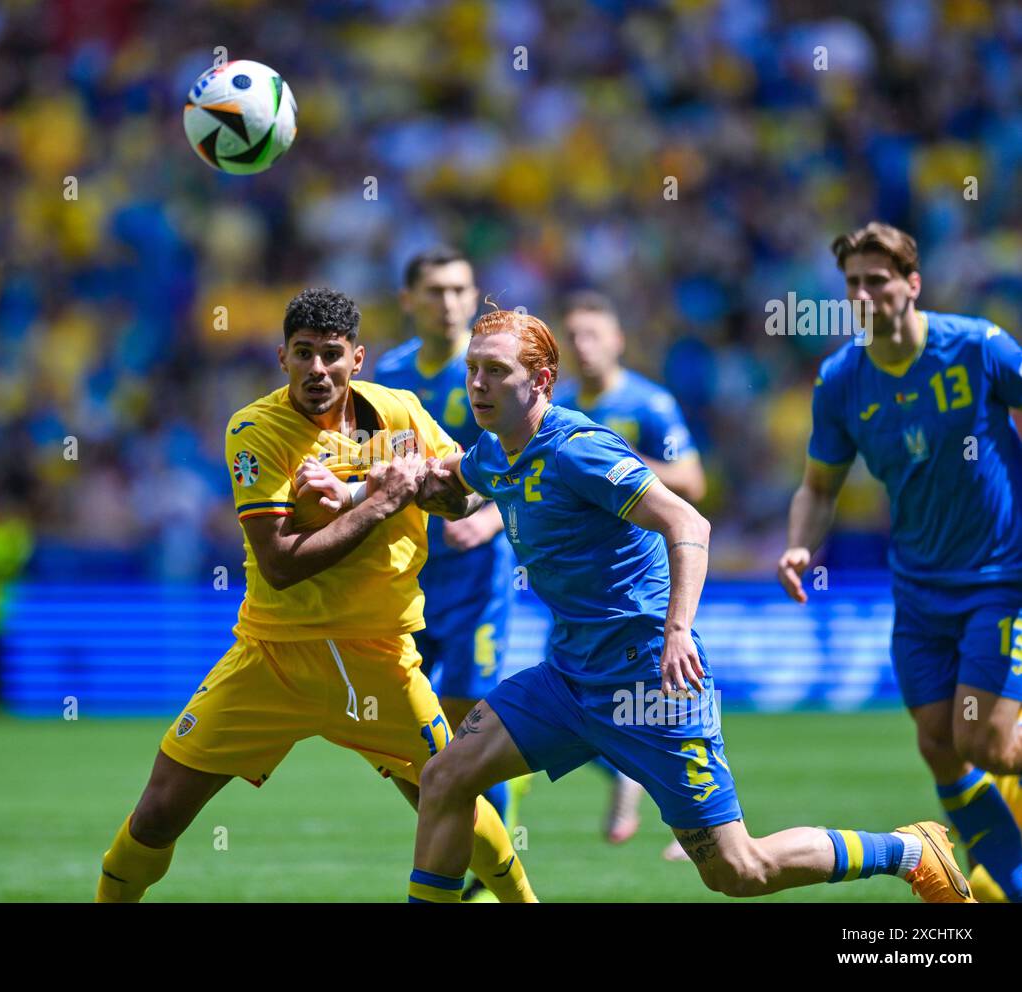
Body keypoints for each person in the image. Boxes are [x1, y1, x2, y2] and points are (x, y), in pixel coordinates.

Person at [400, 305, 971, 903]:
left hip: (650, 680)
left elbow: (687, 519)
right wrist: (365, 488)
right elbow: (455, 478)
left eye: (495, 370)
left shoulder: (578, 449)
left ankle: (908, 851)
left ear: (541, 380)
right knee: (445, 775)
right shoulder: (498, 449)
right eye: (472, 370)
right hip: (568, 677)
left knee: (739, 870)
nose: (477, 384)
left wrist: (677, 631)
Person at [94, 288, 535, 903]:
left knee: (453, 792)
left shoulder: (401, 414)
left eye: (332, 354)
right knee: (160, 810)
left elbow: (463, 491)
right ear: (282, 357)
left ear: (358, 358)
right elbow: (279, 564)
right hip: (273, 658)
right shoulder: (256, 430)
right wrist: (380, 500)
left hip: (379, 658)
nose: (317, 370)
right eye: (304, 354)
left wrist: (425, 488)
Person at [777, 221, 1022, 902]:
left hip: (998, 577)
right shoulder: (841, 381)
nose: (862, 293)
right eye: (852, 283)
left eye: (876, 280)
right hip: (916, 587)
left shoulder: (977, 347)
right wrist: (802, 543)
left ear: (912, 284)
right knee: (937, 742)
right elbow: (818, 487)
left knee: (986, 744)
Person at [374, 248, 523, 898]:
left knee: (470, 730)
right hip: (408, 581)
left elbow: (531, 457)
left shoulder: (493, 368)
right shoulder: (390, 373)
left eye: (461, 289)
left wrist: (488, 519)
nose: (450, 302)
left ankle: (487, 879)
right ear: (409, 299)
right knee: (422, 738)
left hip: (476, 583)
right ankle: (465, 860)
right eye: (434, 290)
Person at [561, 290, 705, 854]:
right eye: (572, 336)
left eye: (593, 334)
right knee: (571, 698)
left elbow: (691, 482)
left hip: (643, 579)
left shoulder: (649, 403)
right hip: (578, 585)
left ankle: (696, 820)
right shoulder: (561, 404)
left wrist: (614, 470)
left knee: (668, 695)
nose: (583, 346)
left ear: (618, 339)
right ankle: (630, 777)